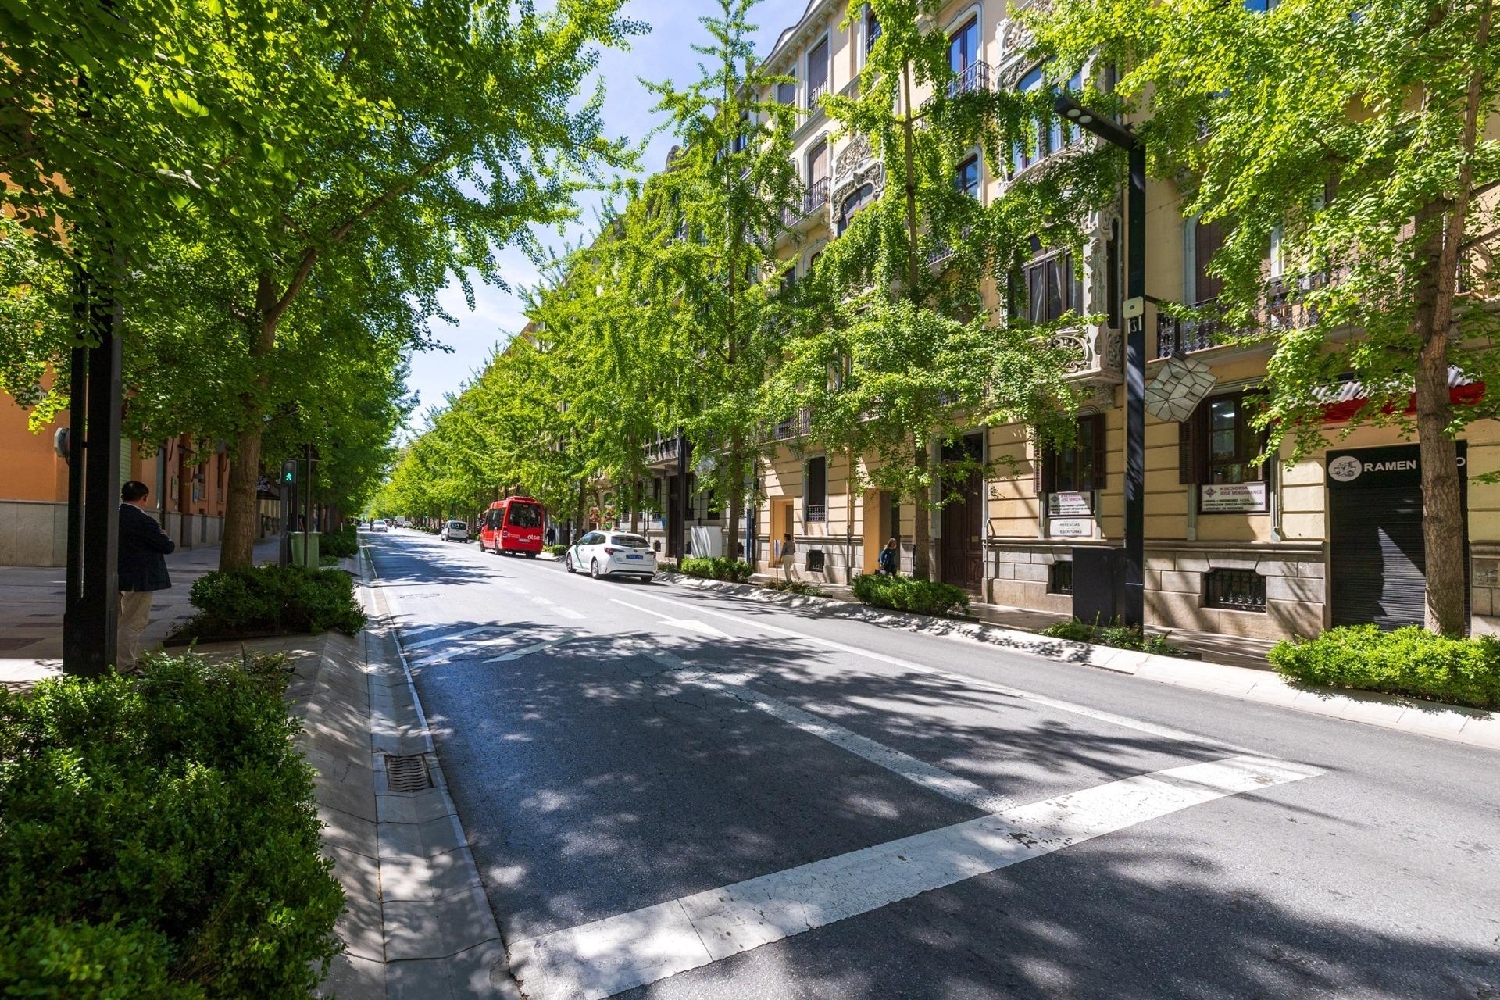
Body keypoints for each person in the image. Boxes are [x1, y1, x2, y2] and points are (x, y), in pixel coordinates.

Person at [117, 480, 175, 672]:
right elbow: (167, 546)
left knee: (119, 621)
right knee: (133, 622)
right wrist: (164, 535)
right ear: (145, 498)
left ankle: (118, 660)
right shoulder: (144, 521)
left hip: (118, 577)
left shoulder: (114, 515)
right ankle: (125, 664)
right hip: (139, 579)